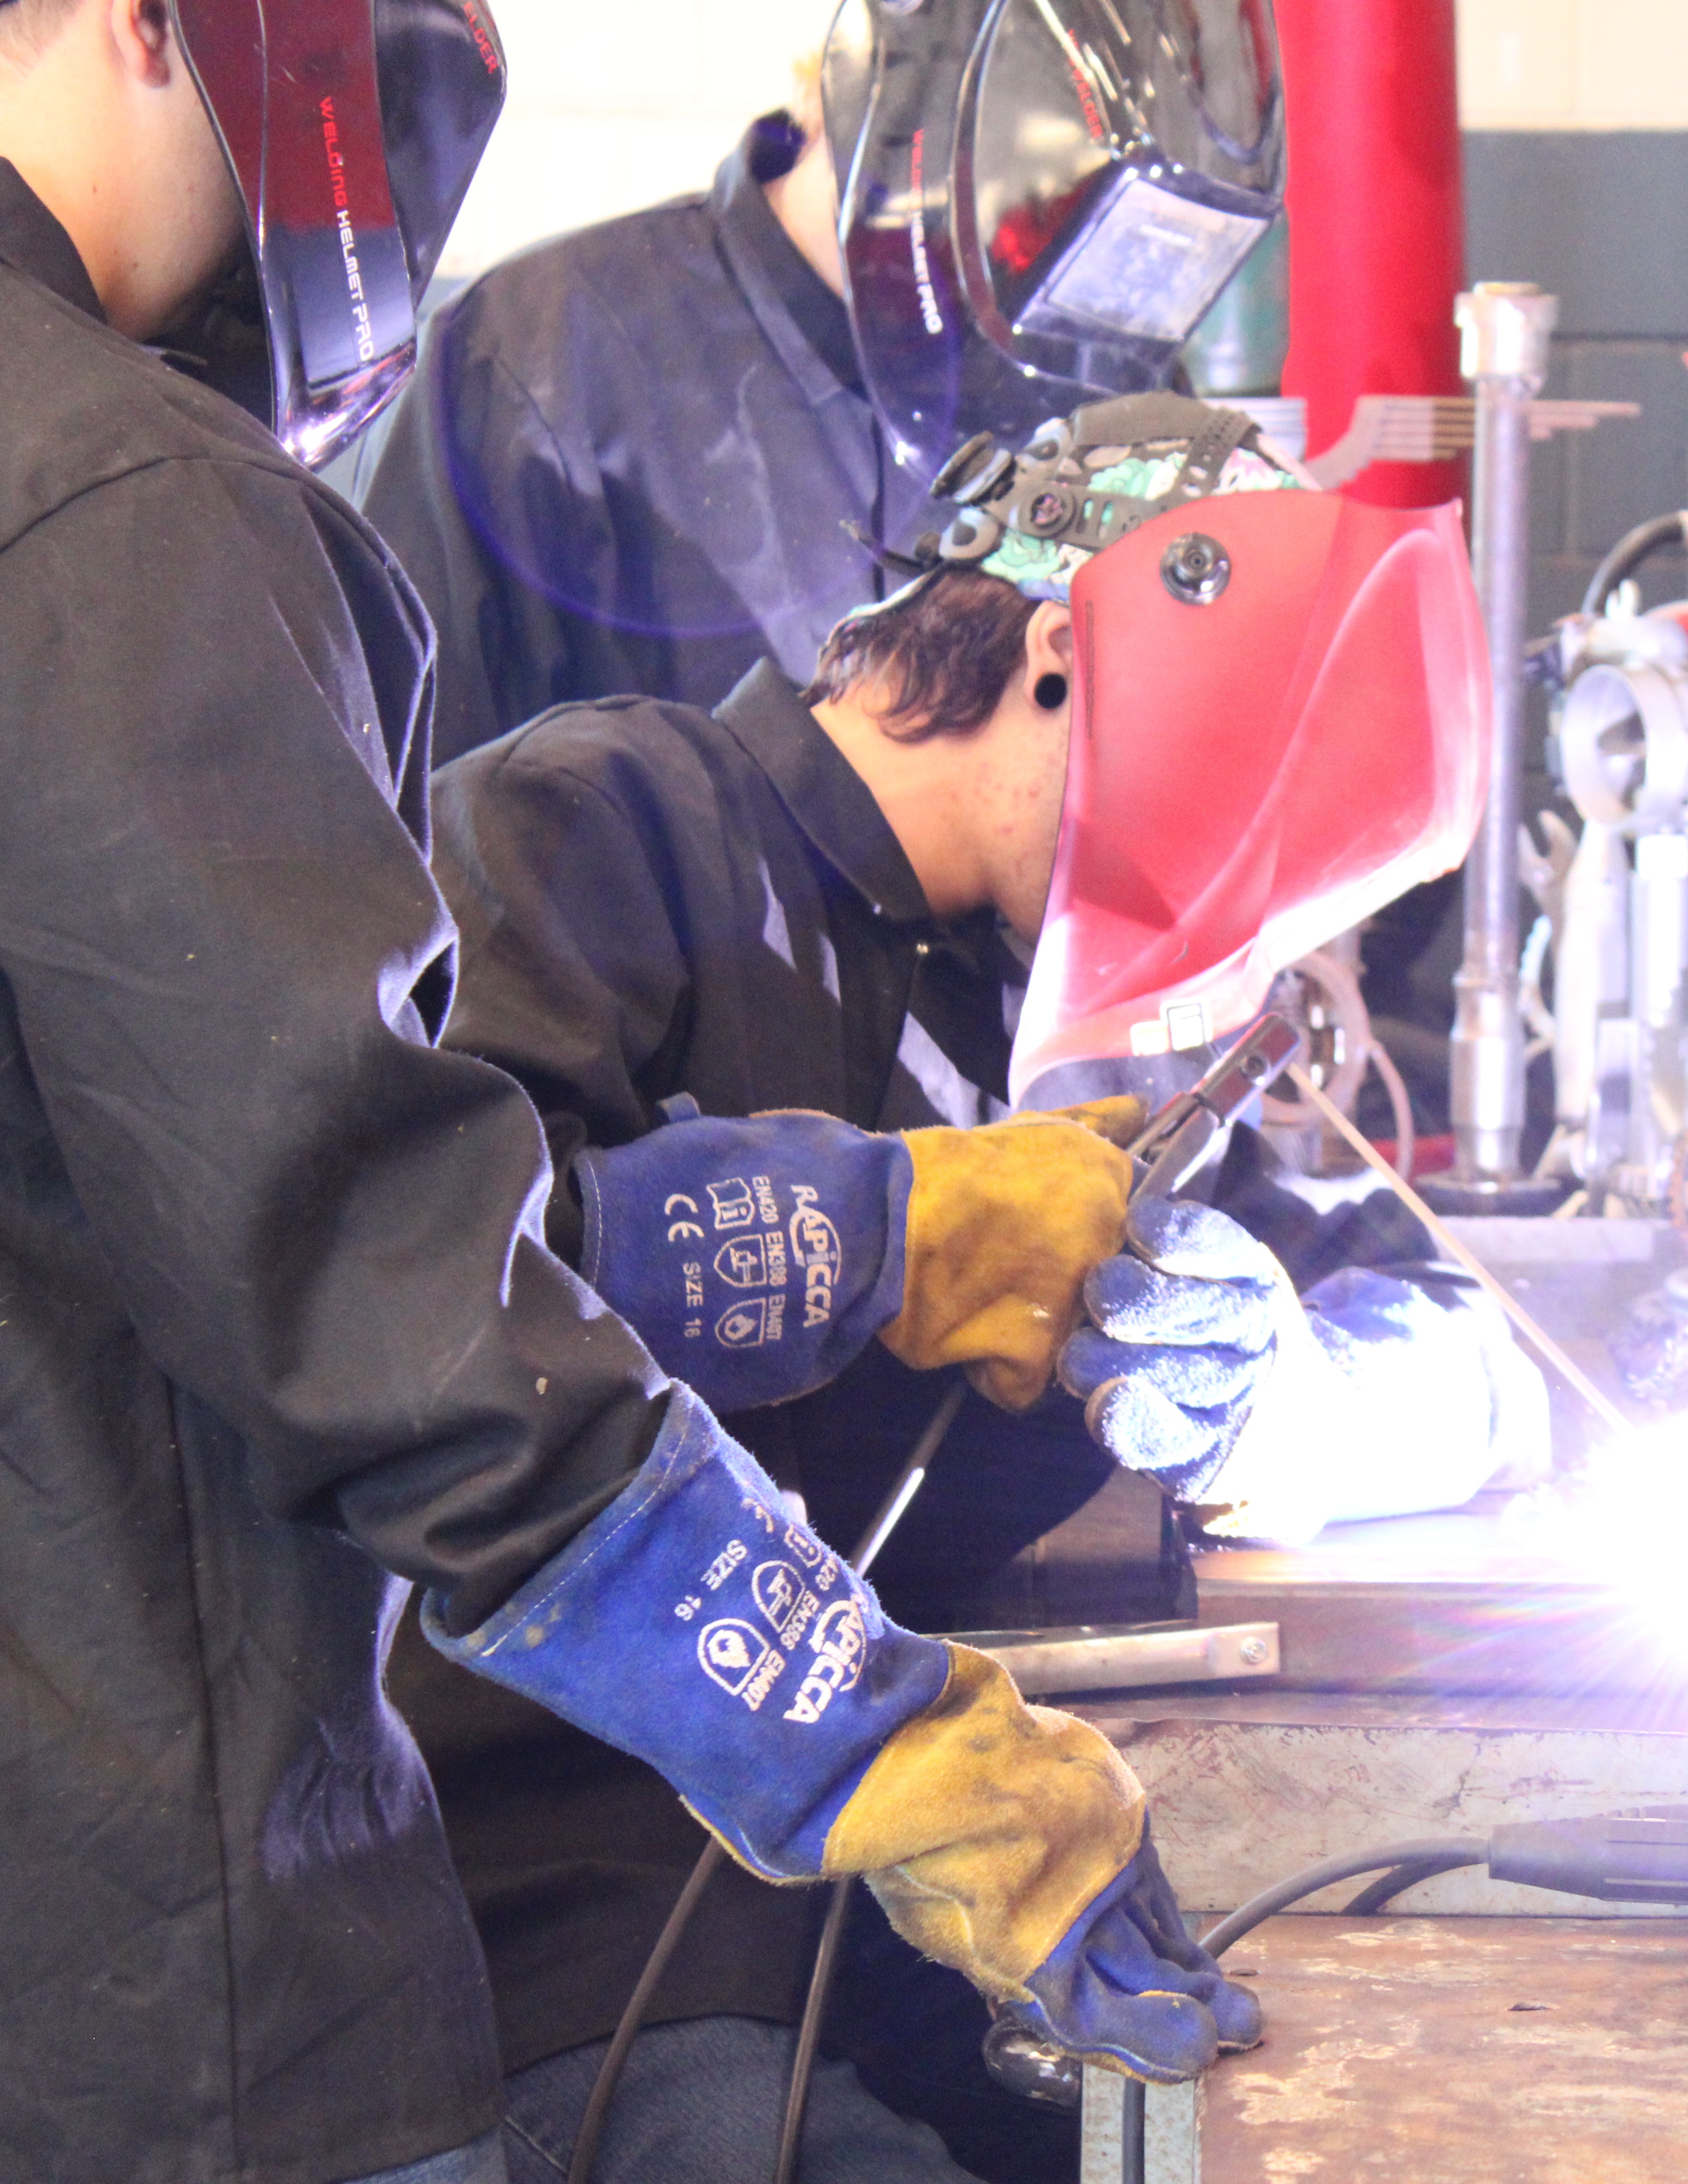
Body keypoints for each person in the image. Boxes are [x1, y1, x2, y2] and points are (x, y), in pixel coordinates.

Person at [0, 8, 1262, 2183]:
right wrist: (860, 1728)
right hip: (177, 1995)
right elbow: (386, 1277)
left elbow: (243, 1180)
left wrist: (949, 1268)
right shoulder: (119, 500)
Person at [400, 392, 1553, 2179]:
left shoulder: (1038, 1023)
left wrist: (1298, 1406)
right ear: (1054, 661)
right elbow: (392, 1286)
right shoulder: (605, 825)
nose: (1204, 941)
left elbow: (1482, 1359)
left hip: (911, 1913)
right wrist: (851, 1231)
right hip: (564, 1901)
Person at [362, 0, 1287, 766]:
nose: (1058, 346)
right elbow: (415, 867)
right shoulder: (542, 362)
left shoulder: (1093, 384)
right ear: (916, 114)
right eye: (1040, 223)